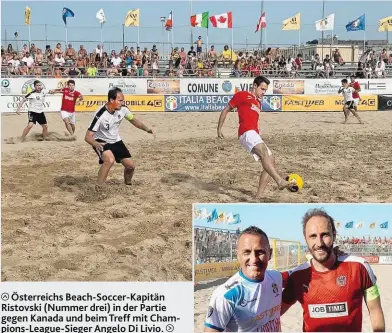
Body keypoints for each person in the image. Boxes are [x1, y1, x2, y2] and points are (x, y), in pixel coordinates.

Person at [281, 208, 385, 332]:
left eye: (324, 235)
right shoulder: (297, 276)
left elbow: (375, 310)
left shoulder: (359, 267)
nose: (319, 243)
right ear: (305, 239)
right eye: (313, 236)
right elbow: (272, 313)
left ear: (334, 235)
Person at [217, 75, 294, 197]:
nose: (264, 92)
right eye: (262, 89)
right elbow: (226, 110)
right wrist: (219, 129)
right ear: (254, 86)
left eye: (265, 90)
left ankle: (258, 197)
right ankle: (279, 181)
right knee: (264, 153)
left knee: (271, 161)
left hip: (254, 133)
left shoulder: (258, 103)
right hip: (246, 133)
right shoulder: (242, 95)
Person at [204, 226, 284, 332]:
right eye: (246, 252)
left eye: (260, 252)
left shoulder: (276, 277)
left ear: (270, 254)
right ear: (238, 255)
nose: (254, 259)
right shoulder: (226, 295)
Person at [85, 87, 154, 186]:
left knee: (130, 167)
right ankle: (98, 188)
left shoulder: (123, 110)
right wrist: (95, 143)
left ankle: (128, 186)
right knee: (109, 160)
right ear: (111, 100)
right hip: (101, 140)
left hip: (116, 140)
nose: (122, 103)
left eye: (123, 100)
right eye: (120, 100)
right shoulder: (100, 114)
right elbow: (88, 137)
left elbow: (133, 120)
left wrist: (147, 129)